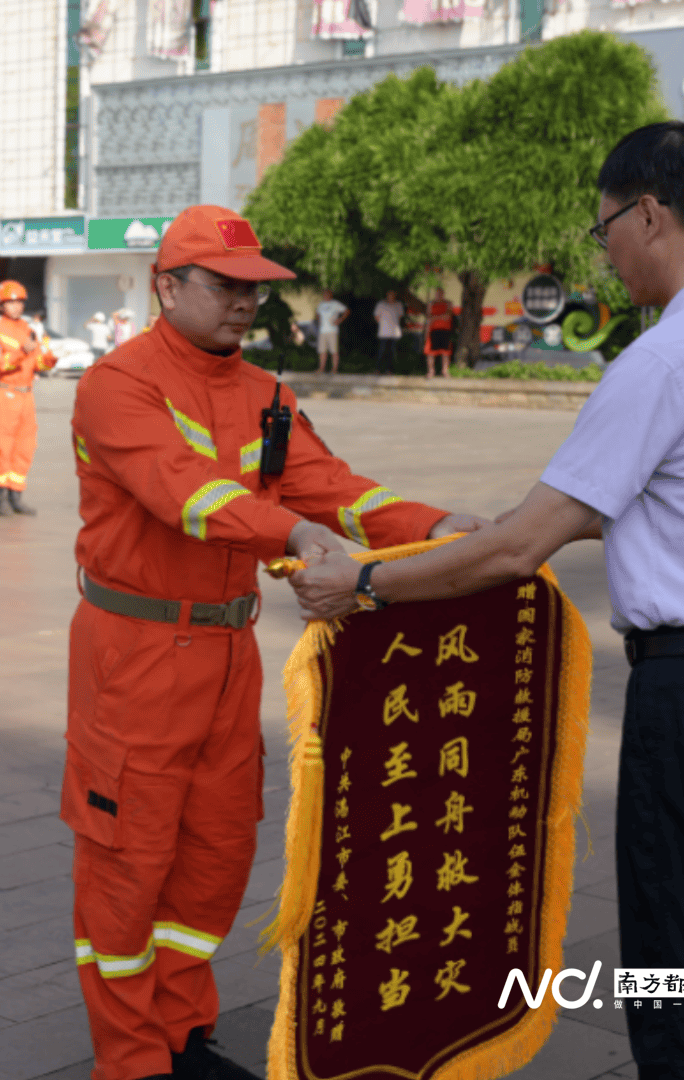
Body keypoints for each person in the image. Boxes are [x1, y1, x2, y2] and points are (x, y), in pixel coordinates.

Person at [297, 122, 684, 1080]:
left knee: (681, 967)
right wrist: (515, 518)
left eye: (604, 231)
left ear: (650, 213)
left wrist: (364, 582)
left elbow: (513, 557)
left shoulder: (668, 358)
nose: (608, 253)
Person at [66, 204, 487, 1080]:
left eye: (254, 288)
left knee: (216, 850)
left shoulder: (266, 397)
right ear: (168, 285)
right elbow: (186, 494)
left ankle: (184, 1035)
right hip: (135, 655)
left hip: (227, 654)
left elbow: (333, 489)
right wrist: (294, 538)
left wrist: (440, 523)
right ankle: (133, 1060)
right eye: (225, 285)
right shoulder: (119, 383)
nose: (244, 303)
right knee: (128, 862)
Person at [0, 280, 53, 516]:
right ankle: (0, 499)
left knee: (25, 446)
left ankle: (16, 496)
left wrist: (51, 357)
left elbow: (39, 364)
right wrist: (21, 351)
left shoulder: (29, 329)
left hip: (26, 396)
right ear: (0, 305)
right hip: (4, 394)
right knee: (3, 446)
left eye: (19, 302)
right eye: (10, 302)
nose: (15, 307)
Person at [314, 289, 347, 374]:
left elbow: (346, 311)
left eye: (327, 294)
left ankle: (334, 369)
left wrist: (339, 320)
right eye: (324, 294)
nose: (325, 295)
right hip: (322, 331)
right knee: (322, 351)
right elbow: (317, 313)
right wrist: (318, 319)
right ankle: (321, 368)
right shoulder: (321, 304)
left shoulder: (335, 304)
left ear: (330, 295)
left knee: (334, 351)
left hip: (332, 331)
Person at [423, 290, 454, 378]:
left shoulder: (448, 303)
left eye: (440, 293)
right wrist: (440, 317)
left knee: (445, 353)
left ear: (443, 294)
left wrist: (435, 317)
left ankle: (445, 371)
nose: (439, 295)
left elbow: (448, 316)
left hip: (445, 330)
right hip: (433, 330)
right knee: (430, 353)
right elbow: (429, 317)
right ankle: (431, 371)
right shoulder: (431, 304)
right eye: (437, 294)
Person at [373, 289, 404, 374]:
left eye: (393, 295)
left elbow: (400, 316)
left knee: (392, 352)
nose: (391, 296)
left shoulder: (398, 304)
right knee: (382, 351)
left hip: (394, 333)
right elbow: (376, 316)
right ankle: (378, 369)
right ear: (387, 295)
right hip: (383, 332)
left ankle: (389, 370)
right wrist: (383, 324)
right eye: (390, 295)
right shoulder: (381, 304)